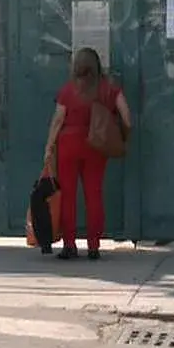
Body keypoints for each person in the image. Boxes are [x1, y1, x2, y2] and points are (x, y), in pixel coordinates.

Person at [41, 47, 133, 261]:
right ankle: (93, 246)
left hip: (68, 146)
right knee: (94, 194)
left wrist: (49, 146)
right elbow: (127, 118)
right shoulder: (109, 89)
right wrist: (120, 137)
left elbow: (58, 120)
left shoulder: (68, 90)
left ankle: (69, 245)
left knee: (68, 196)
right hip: (96, 146)